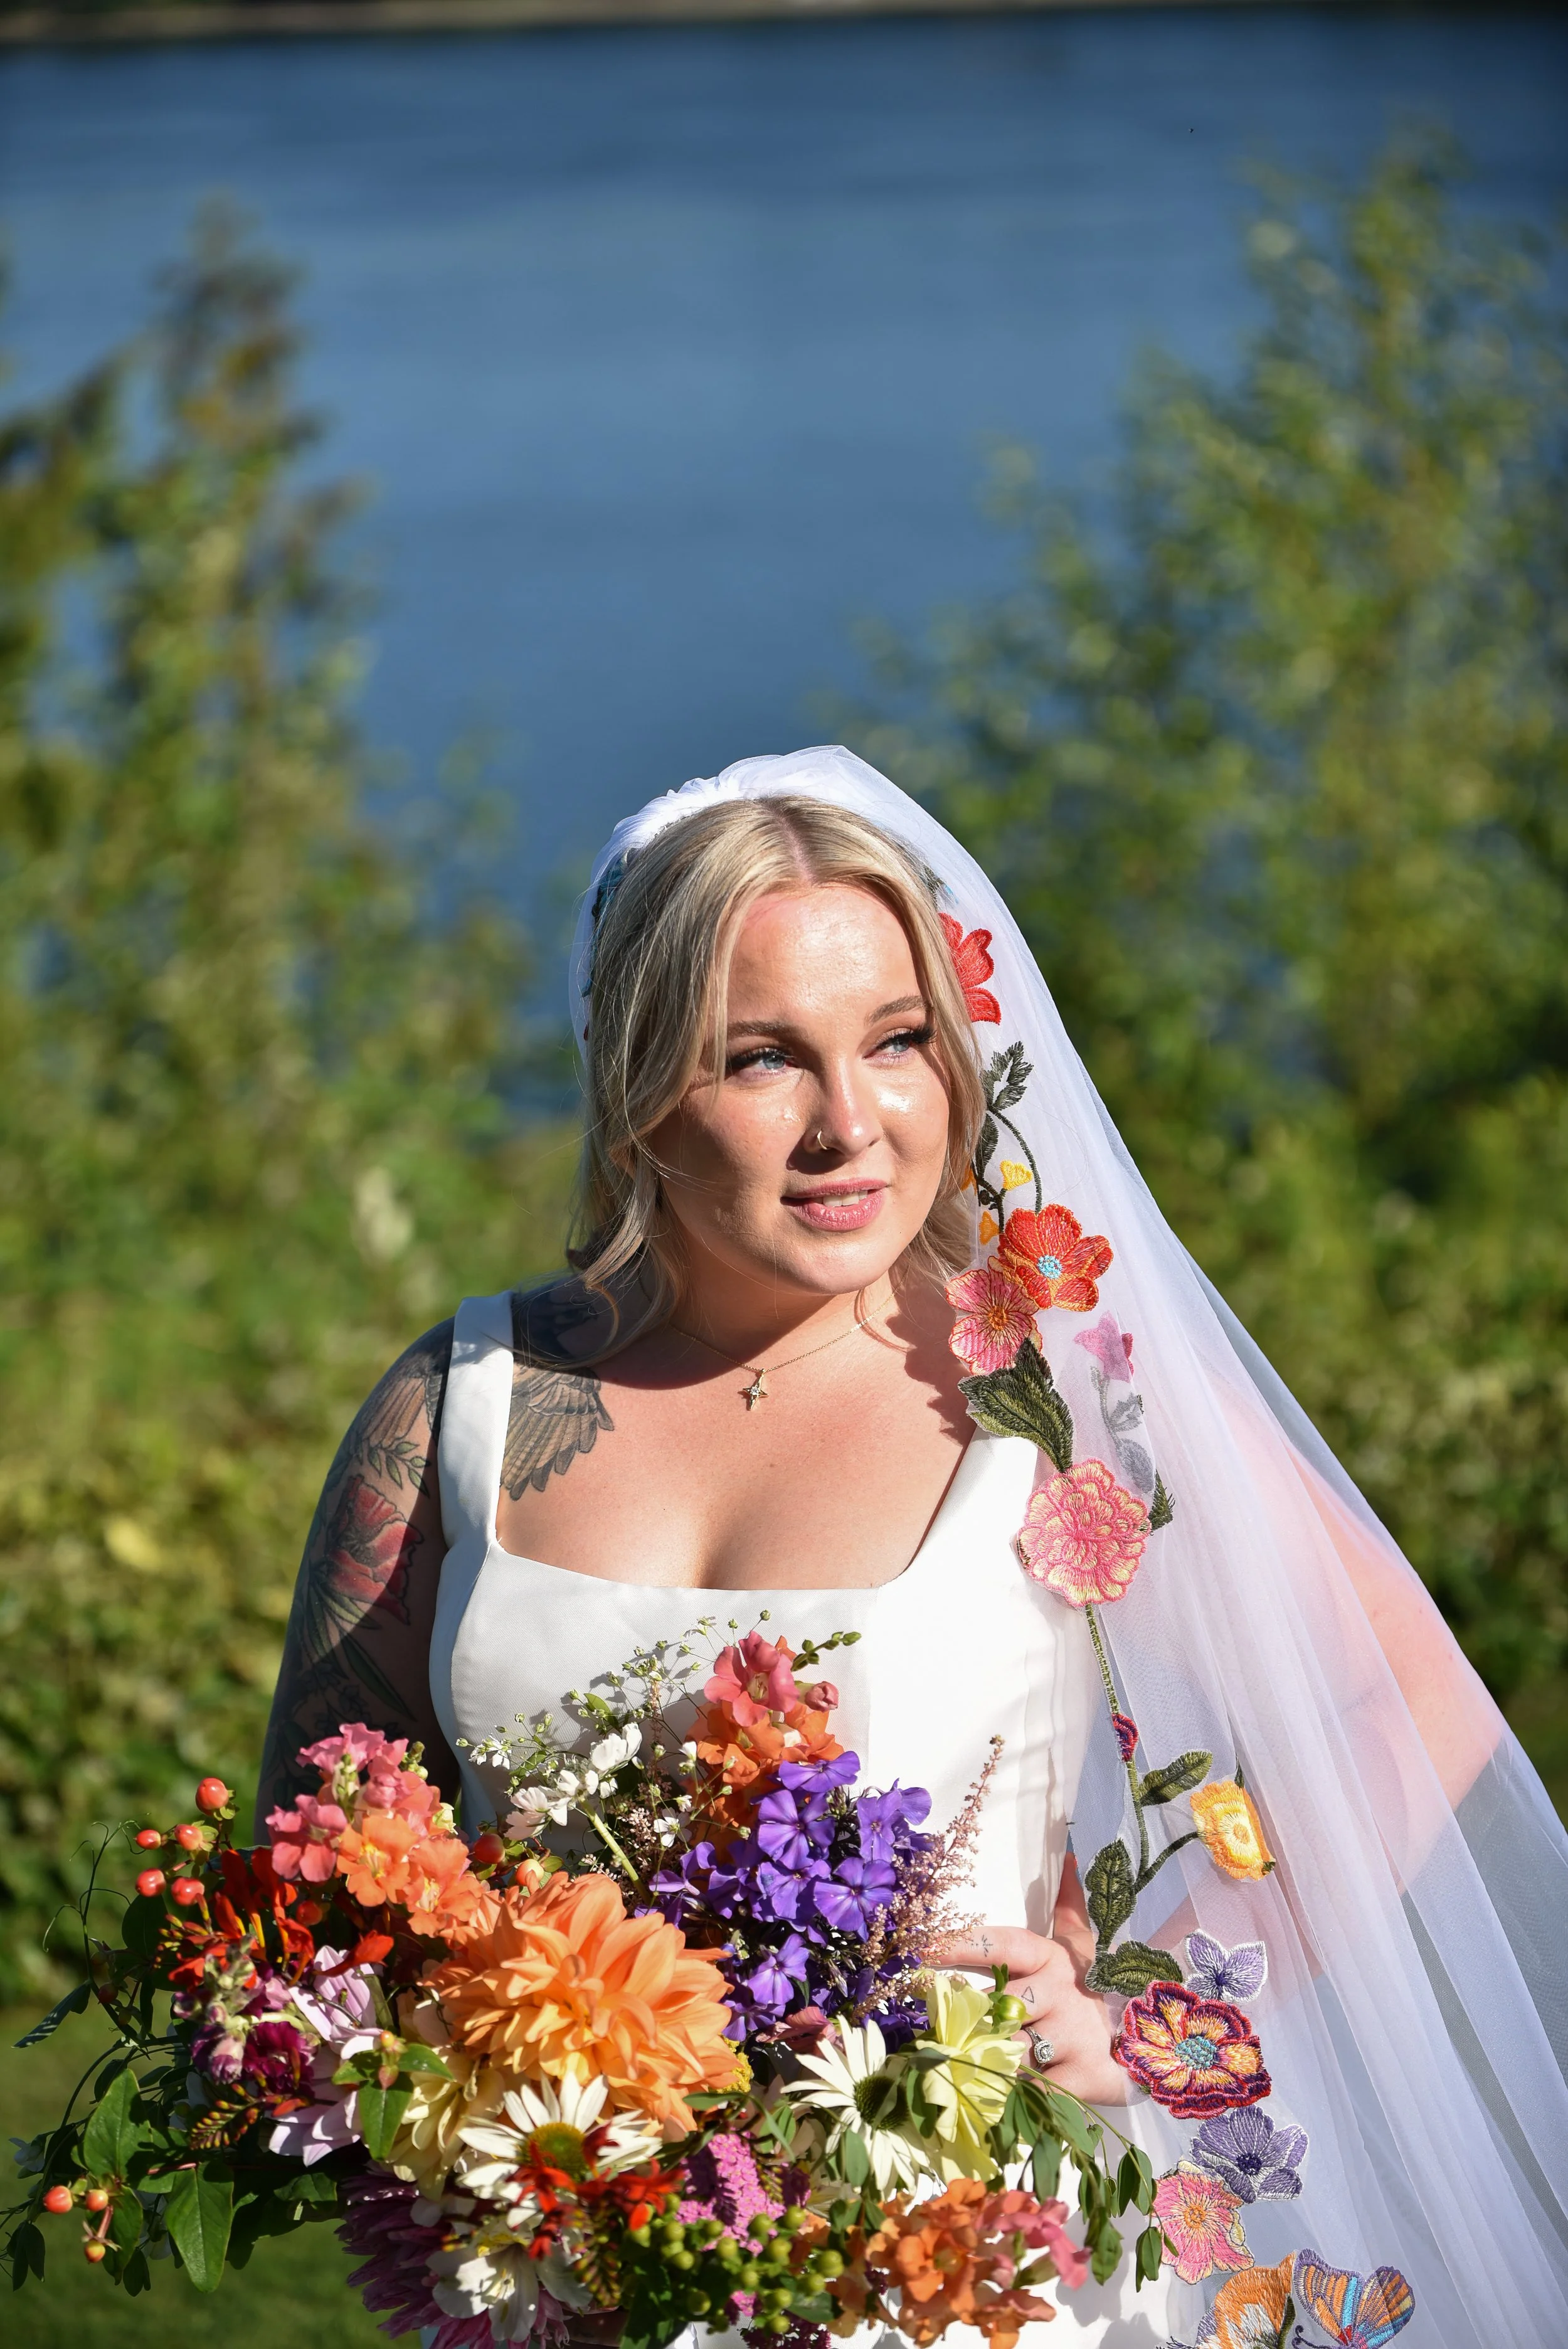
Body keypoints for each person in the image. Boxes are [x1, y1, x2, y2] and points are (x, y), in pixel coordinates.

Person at [259, 747, 1568, 2349]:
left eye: (894, 1043)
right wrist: (464, 2110)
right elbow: (316, 1855)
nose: (850, 1125)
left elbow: (1404, 1692)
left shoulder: (1047, 1397)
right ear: (634, 1084)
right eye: (760, 1059)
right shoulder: (454, 1407)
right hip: (568, 2284)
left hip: (970, 2283)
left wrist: (1165, 2002)